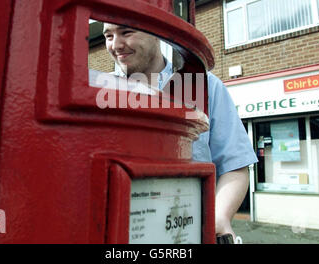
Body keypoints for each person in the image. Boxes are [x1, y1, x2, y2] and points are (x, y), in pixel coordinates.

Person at [102, 23, 258, 242]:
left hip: (188, 229)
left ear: (156, 32)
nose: (116, 45)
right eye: (108, 36)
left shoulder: (205, 86)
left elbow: (236, 165)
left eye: (126, 32)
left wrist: (219, 217)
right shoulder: (100, 89)